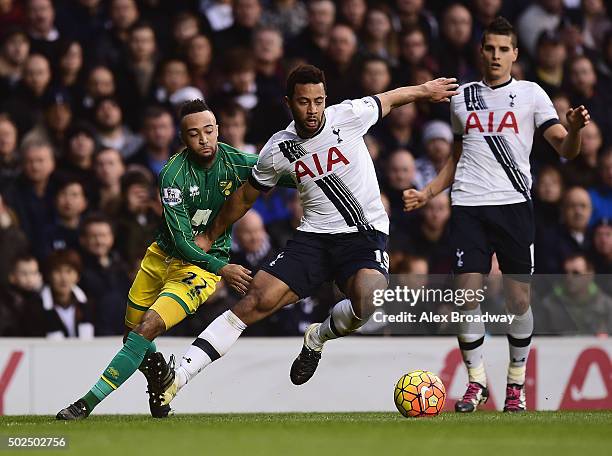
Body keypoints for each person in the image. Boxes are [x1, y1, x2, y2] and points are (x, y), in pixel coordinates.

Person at [161, 65, 457, 407]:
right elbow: (245, 196)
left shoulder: (348, 116)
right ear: (290, 103)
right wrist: (210, 235)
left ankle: (318, 336)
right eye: (304, 102)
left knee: (370, 297)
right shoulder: (278, 149)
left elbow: (389, 98)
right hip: (314, 238)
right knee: (257, 298)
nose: (313, 109)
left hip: (363, 235)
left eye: (318, 100)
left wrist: (425, 89)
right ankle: (179, 376)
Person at [56, 99, 295, 420]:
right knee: (133, 337)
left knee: (145, 331)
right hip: (163, 258)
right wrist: (223, 269)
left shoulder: (236, 162)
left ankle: (85, 404)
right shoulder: (173, 174)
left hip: (200, 268)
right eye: (194, 134)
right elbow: (183, 241)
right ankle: (160, 377)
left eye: (209, 131)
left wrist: (321, 170)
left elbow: (288, 175)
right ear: (182, 139)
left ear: (218, 130)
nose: (204, 139)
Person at [403, 17, 590, 412]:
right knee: (464, 294)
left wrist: (573, 131)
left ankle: (516, 385)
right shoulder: (463, 97)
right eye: (490, 48)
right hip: (469, 205)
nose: (496, 56)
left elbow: (565, 149)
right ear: (481, 51)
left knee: (518, 301)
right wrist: (429, 192)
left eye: (504, 49)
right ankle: (476, 382)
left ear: (515, 54)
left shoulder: (531, 94)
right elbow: (458, 155)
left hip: (514, 206)